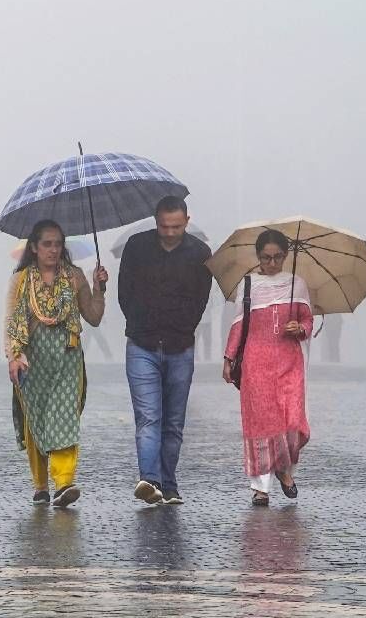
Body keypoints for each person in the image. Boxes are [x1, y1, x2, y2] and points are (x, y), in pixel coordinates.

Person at [5, 220, 108, 508]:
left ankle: (64, 482)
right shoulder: (20, 280)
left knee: (63, 416)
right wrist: (13, 357)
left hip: (67, 358)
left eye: (58, 244)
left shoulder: (74, 276)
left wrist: (99, 288)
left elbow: (94, 317)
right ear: (34, 247)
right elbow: (11, 323)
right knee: (36, 419)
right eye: (47, 244)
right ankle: (40, 485)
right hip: (31, 360)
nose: (53, 250)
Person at [118, 196, 213, 506]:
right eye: (164, 227)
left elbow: (201, 299)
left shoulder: (200, 254)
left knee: (173, 422)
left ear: (187, 221)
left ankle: (169, 484)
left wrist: (183, 326)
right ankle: (150, 480)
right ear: (155, 221)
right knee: (148, 417)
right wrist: (139, 320)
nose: (170, 233)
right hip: (142, 344)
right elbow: (124, 292)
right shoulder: (137, 247)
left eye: (176, 227)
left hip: (180, 346)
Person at [222, 229, 312, 507]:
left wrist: (299, 328)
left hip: (289, 362)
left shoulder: (297, 285)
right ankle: (260, 488)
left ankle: (284, 469)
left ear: (286, 255)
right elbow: (239, 324)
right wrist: (228, 358)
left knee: (292, 421)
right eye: (265, 258)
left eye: (277, 257)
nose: (272, 263)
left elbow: (308, 320)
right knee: (261, 423)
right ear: (258, 257)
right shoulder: (248, 284)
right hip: (256, 363)